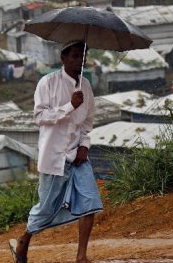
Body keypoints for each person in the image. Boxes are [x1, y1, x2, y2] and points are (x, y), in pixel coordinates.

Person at [9, 40, 103, 263]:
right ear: (63, 58)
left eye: (83, 56)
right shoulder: (47, 83)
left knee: (90, 202)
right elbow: (40, 117)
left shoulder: (86, 87)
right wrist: (69, 106)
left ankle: (81, 256)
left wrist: (84, 146)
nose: (80, 61)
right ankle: (24, 240)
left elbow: (87, 123)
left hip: (77, 157)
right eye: (76, 56)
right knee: (46, 208)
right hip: (54, 158)